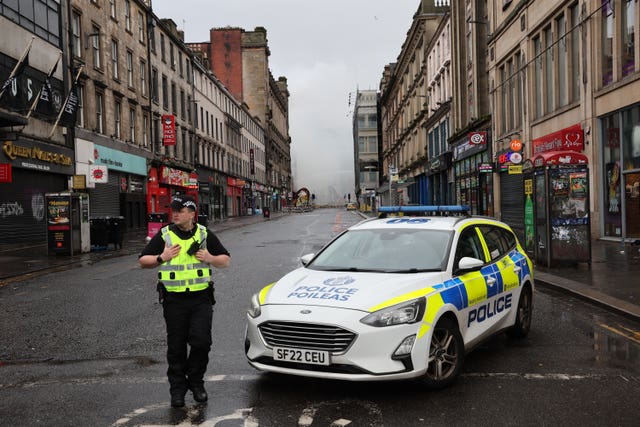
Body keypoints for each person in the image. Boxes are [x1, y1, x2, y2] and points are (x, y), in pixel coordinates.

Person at [139, 195, 230, 408]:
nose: (176, 213)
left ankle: (196, 382)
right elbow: (143, 261)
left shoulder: (204, 234)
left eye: (180, 210)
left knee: (201, 342)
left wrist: (210, 258)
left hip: (201, 299)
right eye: (174, 210)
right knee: (176, 346)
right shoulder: (165, 235)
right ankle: (178, 389)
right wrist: (162, 257)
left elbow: (225, 261)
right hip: (174, 300)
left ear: (192, 213)